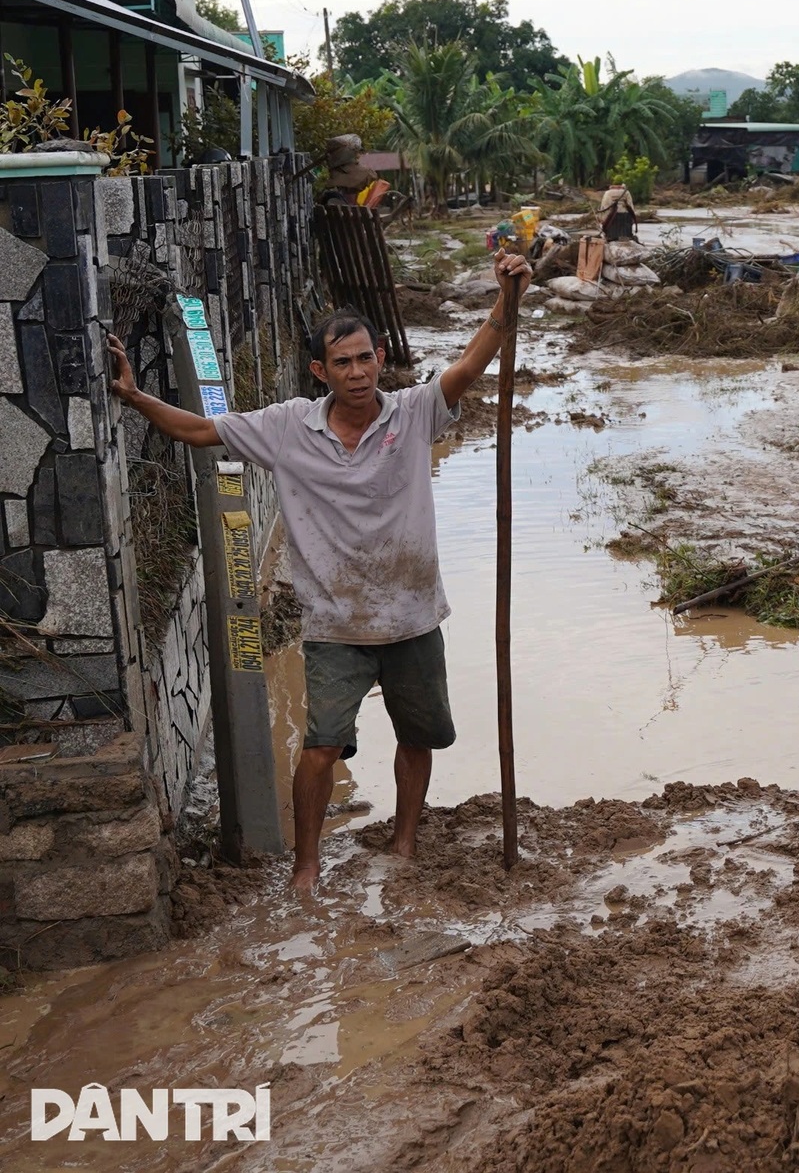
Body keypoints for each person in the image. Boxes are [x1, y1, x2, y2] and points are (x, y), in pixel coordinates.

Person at [107, 252, 534, 895]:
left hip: (414, 616)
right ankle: (306, 870)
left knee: (418, 737)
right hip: (335, 624)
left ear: (381, 356)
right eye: (342, 362)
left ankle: (406, 843)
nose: (357, 373)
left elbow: (472, 364)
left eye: (365, 358)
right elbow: (198, 431)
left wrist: (506, 299)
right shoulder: (287, 427)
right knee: (320, 748)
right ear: (320, 371)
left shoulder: (415, 412)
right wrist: (135, 396)